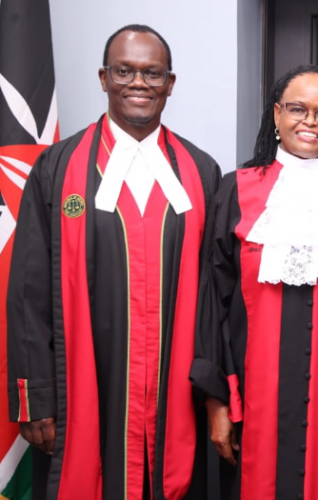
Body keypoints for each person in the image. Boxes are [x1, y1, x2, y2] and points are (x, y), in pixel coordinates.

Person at [6, 25, 220, 499]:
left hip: (175, 395)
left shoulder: (202, 171)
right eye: (125, 71)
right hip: (82, 391)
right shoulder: (57, 169)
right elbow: (28, 290)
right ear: (104, 78)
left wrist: (216, 392)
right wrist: (33, 397)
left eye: (152, 73)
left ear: (170, 83)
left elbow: (213, 295)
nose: (139, 83)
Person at [189, 64, 318, 500]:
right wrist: (217, 401)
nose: (310, 121)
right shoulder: (236, 190)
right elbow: (211, 300)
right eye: (298, 109)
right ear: (276, 114)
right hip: (250, 403)